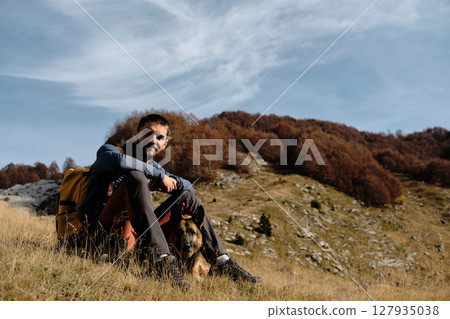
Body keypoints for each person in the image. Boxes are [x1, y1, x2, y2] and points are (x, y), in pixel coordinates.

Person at [81, 114, 262, 288]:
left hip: (133, 237)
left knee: (187, 199)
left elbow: (189, 188)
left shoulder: (153, 168)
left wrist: (162, 180)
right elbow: (118, 162)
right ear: (136, 135)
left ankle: (222, 262)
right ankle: (161, 261)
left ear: (165, 144)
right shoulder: (110, 152)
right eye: (147, 133)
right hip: (100, 235)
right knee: (135, 177)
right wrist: (159, 176)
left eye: (159, 137)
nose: (153, 140)